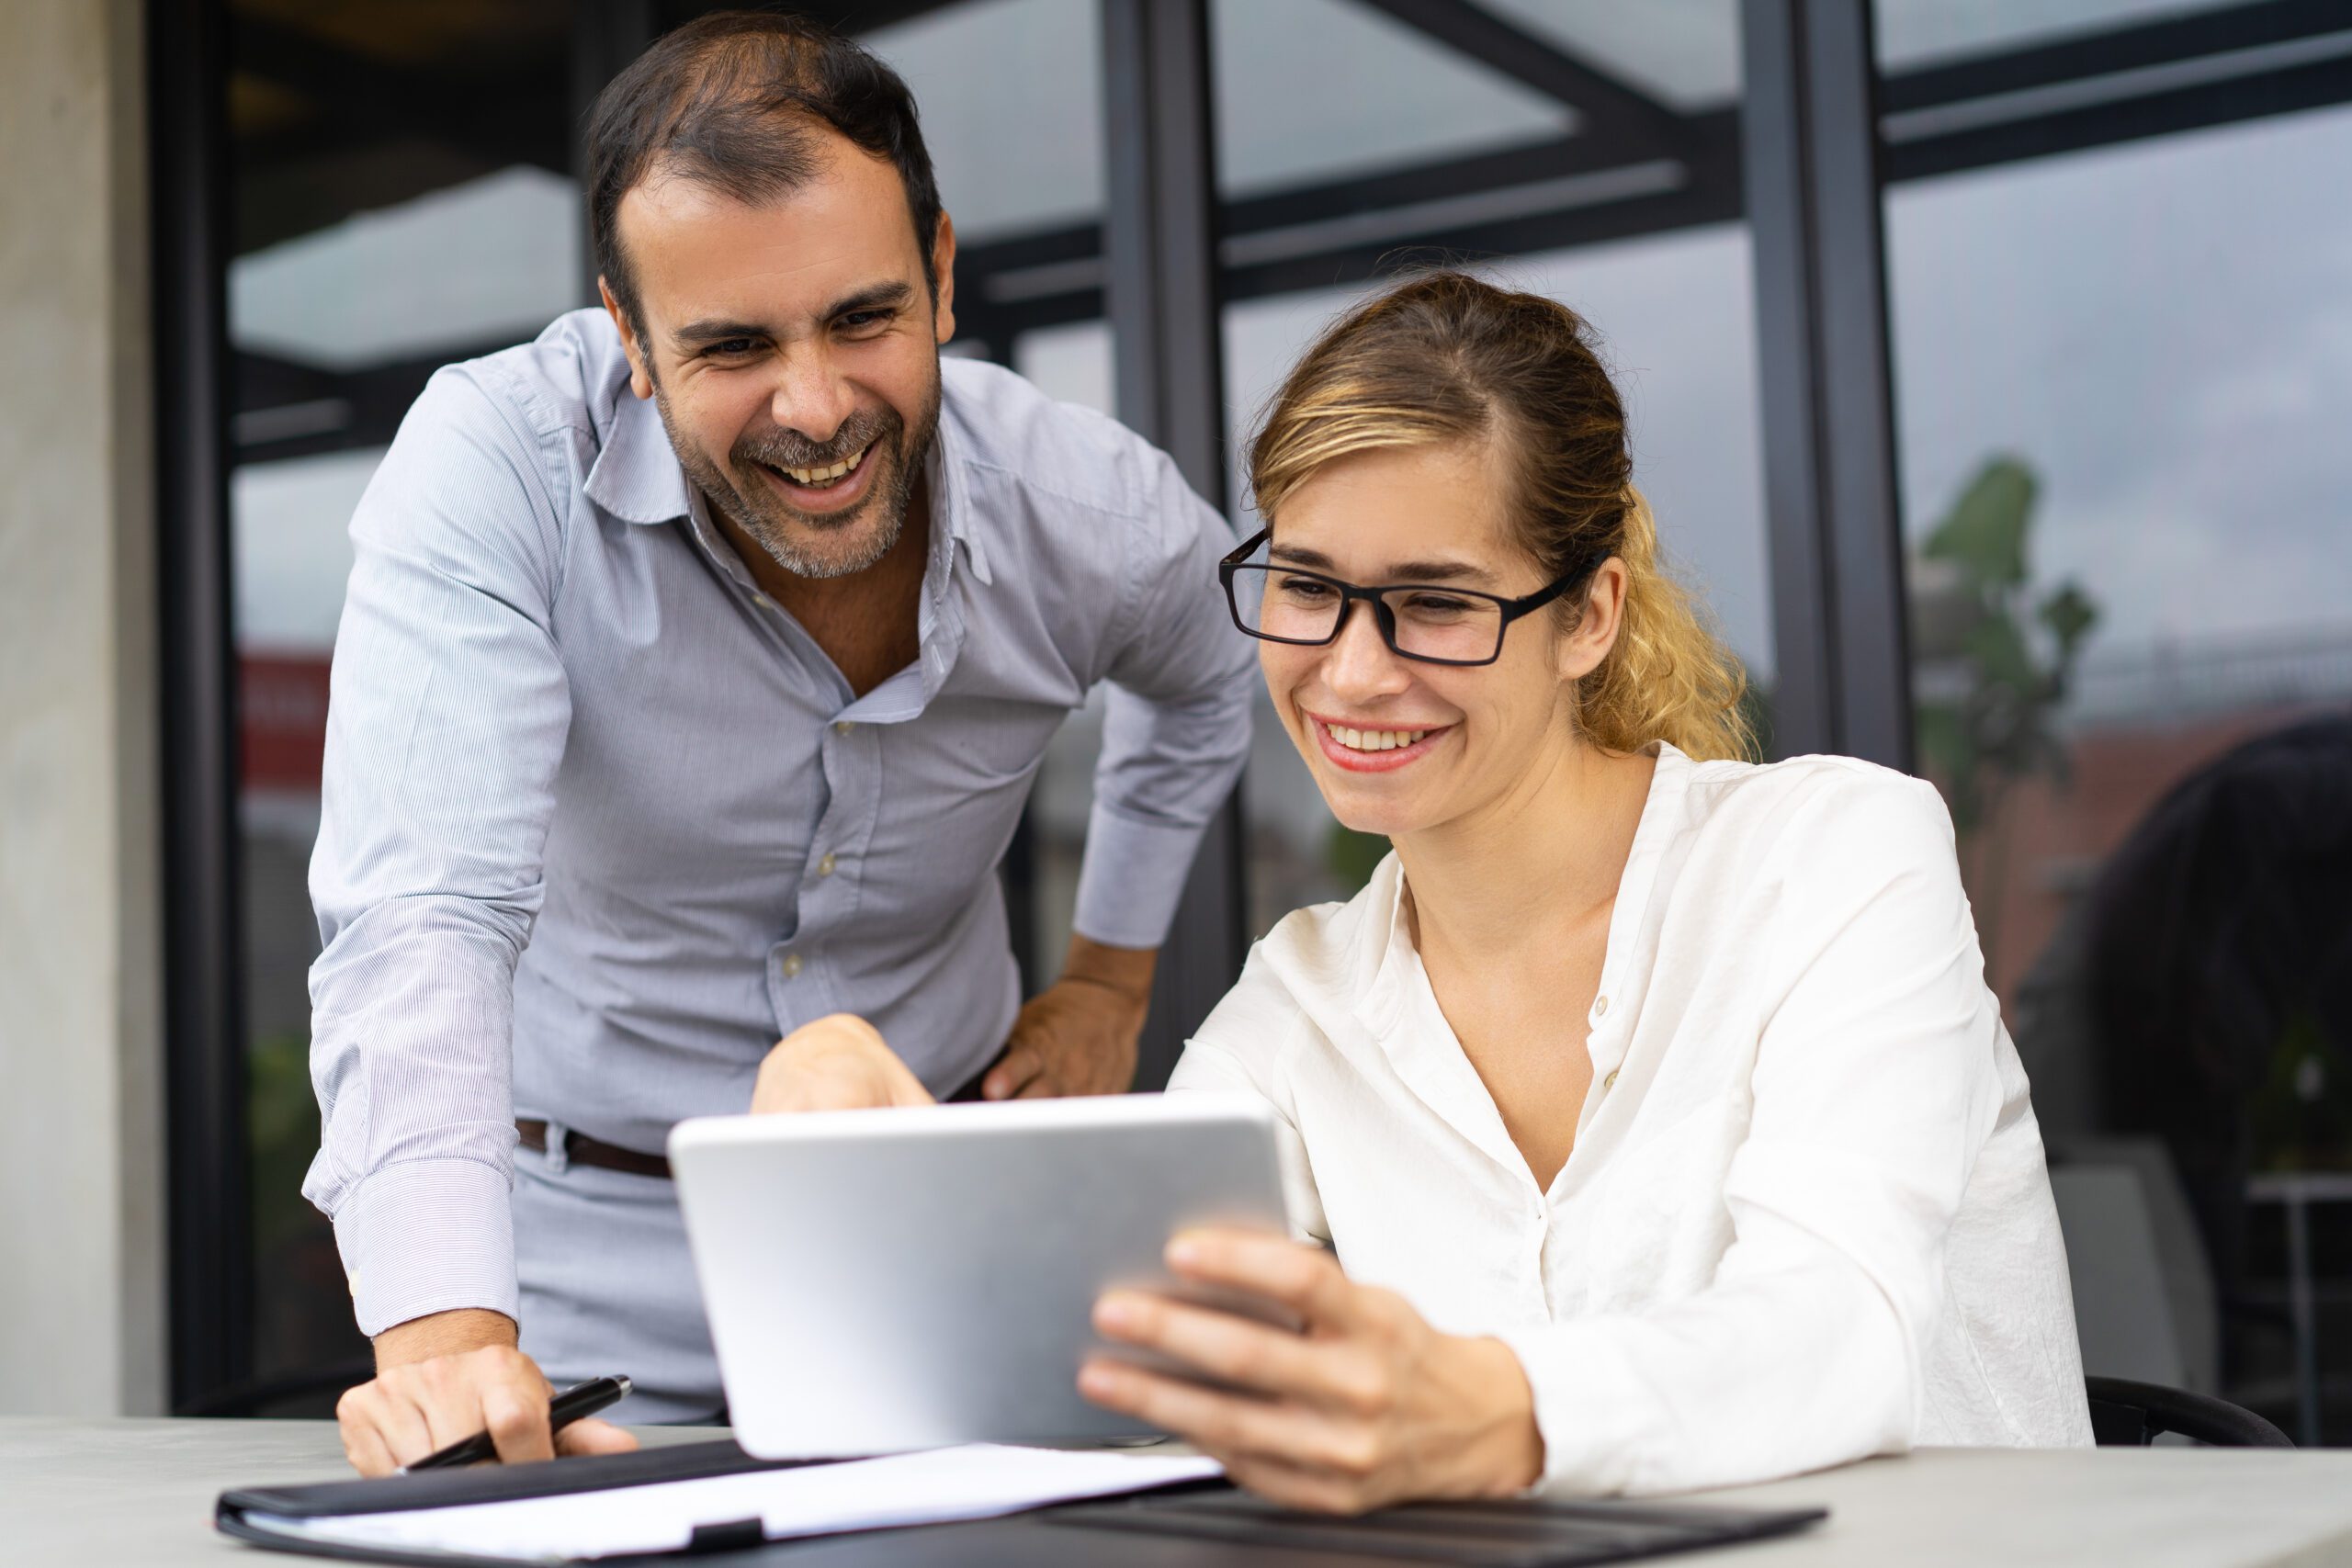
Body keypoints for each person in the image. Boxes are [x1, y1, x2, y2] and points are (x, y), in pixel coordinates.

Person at [756, 272, 2095, 1506]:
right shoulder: (1300, 1006)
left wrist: (1500, 1410)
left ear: (1590, 614)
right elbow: (1113, 1372)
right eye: (1308, 587)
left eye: (1436, 605)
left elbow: (1843, 1331)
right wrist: (879, 1192)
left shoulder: (1837, 861)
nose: (1347, 674)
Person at [314, 12, 1254, 1476]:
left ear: (941, 276)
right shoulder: (498, 463)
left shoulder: (1095, 513)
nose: (815, 409)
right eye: (735, 346)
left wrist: (1109, 980)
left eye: (863, 319)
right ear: (629, 338)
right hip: (573, 1265)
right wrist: (444, 1342)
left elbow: (1206, 688)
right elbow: (422, 906)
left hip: (934, 1231)